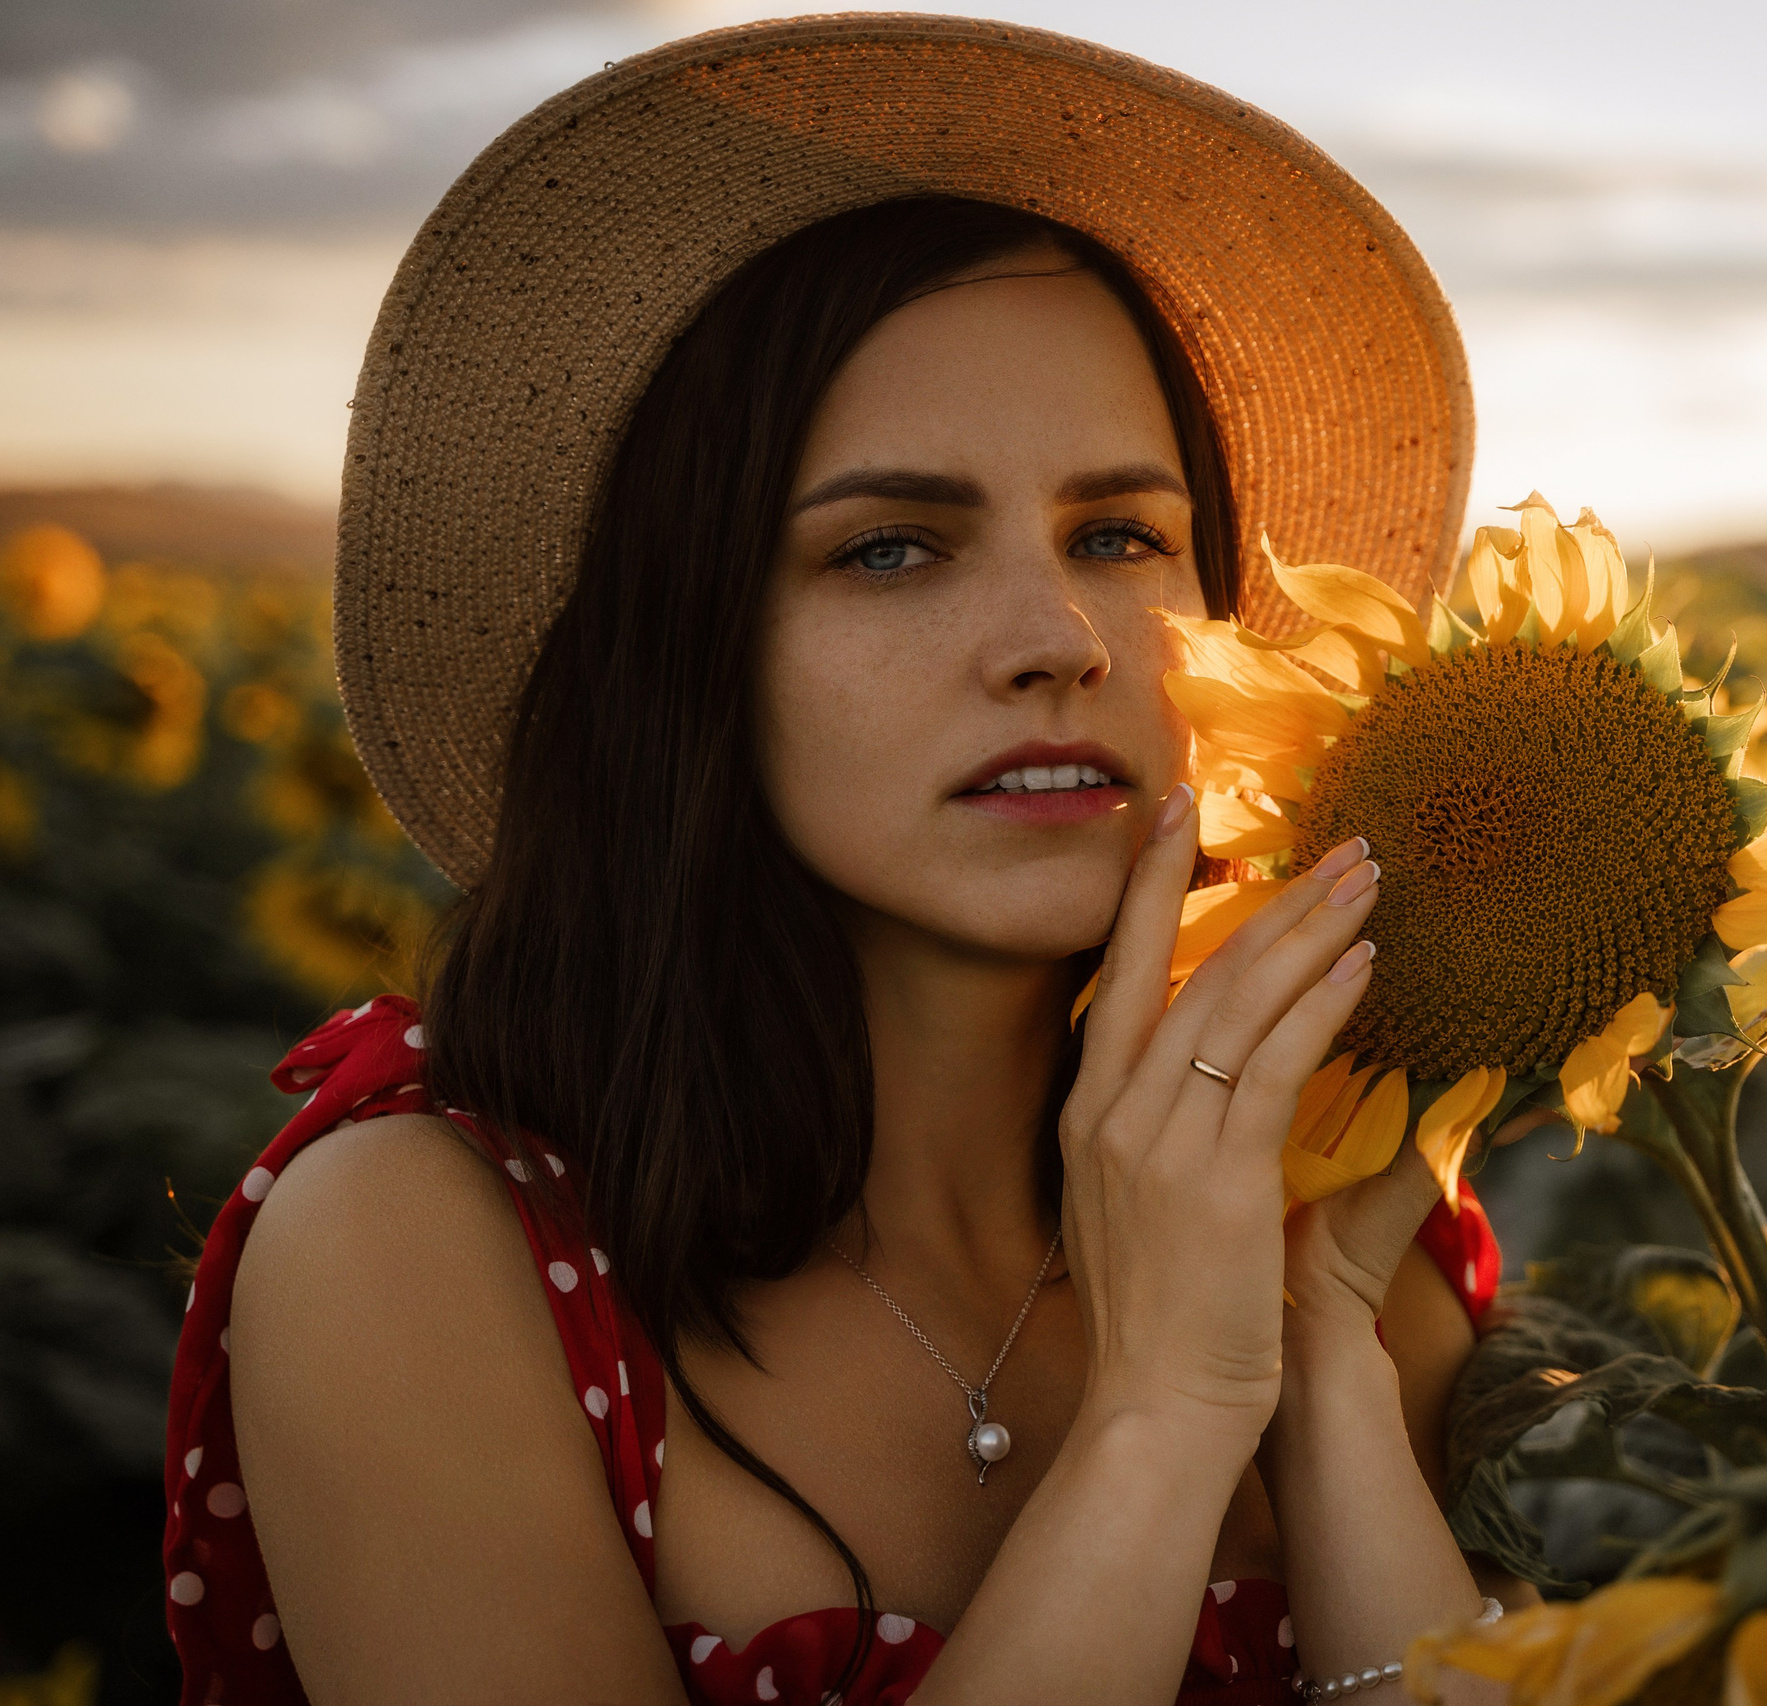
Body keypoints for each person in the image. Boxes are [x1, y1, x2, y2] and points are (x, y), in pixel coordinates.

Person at [163, 17, 1517, 1706]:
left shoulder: (1350, 1218)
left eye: (1120, 537)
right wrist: (1168, 1410)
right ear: (686, 645)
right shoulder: (424, 1250)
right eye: (890, 549)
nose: (1059, 641)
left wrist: (1314, 1354)